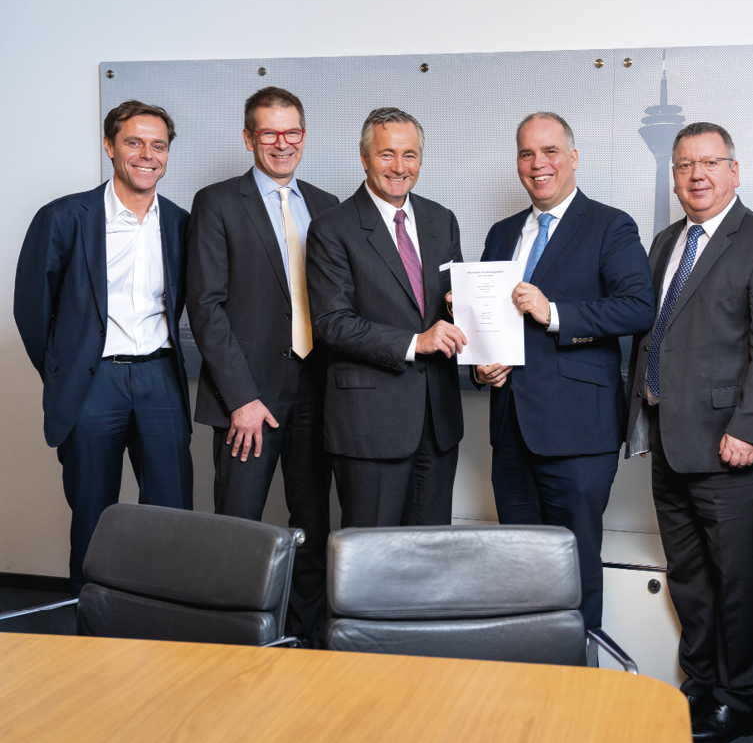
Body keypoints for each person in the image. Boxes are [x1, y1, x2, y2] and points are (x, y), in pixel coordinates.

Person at [625, 122, 753, 742]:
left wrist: (749, 428)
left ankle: (740, 699)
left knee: (738, 583)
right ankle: (700, 683)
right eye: (684, 165)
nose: (696, 175)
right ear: (674, 176)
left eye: (709, 163)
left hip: (732, 446)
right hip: (669, 440)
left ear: (734, 170)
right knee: (690, 579)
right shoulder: (665, 241)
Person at [474, 111, 653, 632]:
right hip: (511, 429)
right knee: (519, 568)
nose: (539, 164)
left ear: (573, 158)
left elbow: (638, 307)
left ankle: (577, 674)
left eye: (550, 151)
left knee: (574, 567)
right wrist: (483, 367)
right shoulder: (502, 233)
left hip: (578, 432)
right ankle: (529, 673)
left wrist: (553, 312)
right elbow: (493, 325)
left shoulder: (610, 225)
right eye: (527, 154)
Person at [14, 100, 193, 593]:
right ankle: (91, 623)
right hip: (93, 383)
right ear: (110, 146)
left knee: (173, 512)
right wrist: (65, 371)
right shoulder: (64, 217)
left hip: (160, 378)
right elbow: (31, 309)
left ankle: (169, 621)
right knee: (93, 515)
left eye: (158, 145)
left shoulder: (180, 223)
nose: (147, 155)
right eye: (134, 142)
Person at [186, 86, 339, 644]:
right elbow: (205, 307)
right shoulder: (217, 202)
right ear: (249, 138)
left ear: (304, 136)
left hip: (316, 392)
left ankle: (305, 642)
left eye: (291, 131)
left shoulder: (326, 204)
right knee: (238, 528)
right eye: (269, 132)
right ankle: (232, 646)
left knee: (313, 527)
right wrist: (242, 399)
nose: (282, 143)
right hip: (246, 398)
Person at [306, 107, 465, 529]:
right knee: (371, 556)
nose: (399, 167)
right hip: (369, 425)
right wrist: (416, 342)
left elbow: (455, 304)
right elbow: (332, 322)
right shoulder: (332, 228)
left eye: (409, 155)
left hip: (438, 421)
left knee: (430, 550)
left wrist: (464, 313)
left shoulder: (441, 220)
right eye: (387, 154)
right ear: (364, 157)